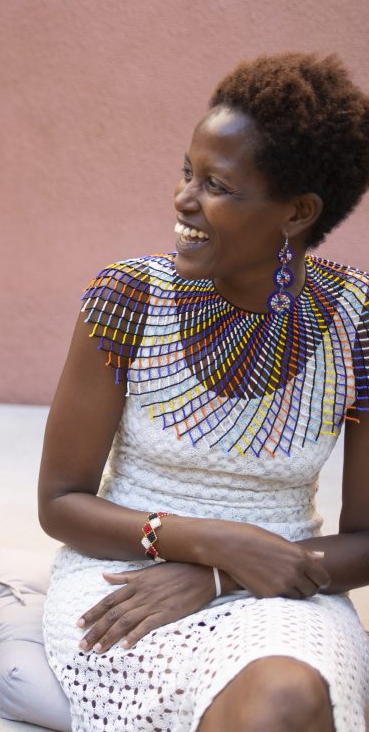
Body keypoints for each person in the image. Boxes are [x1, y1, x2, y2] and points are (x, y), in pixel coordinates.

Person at [38, 52, 369, 732]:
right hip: (124, 581)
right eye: (188, 172)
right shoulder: (129, 298)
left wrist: (224, 576)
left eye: (217, 185)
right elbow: (60, 503)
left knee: (289, 695)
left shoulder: (355, 320)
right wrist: (207, 544)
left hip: (288, 588)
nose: (184, 199)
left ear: (297, 212)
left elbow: (367, 539)